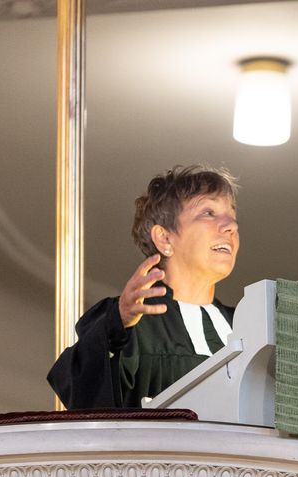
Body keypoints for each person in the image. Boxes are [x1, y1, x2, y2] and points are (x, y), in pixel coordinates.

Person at [48, 165, 240, 408]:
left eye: (232, 215)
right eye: (208, 212)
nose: (230, 225)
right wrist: (116, 323)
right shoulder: (133, 324)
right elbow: (82, 391)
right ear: (165, 238)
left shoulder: (247, 325)